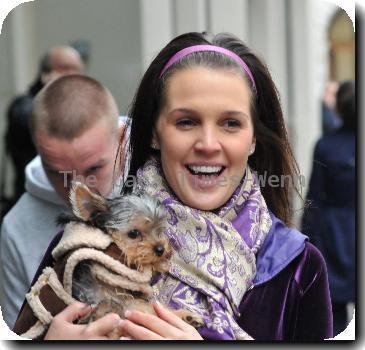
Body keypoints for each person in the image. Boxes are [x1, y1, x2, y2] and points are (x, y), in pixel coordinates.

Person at [15, 32, 332, 341]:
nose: (208, 144)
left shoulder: (297, 266)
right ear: (154, 132)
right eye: (186, 122)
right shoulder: (84, 242)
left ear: (252, 140)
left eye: (230, 123)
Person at [0, 74, 127, 329]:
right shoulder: (17, 227)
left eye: (93, 168)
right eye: (59, 174)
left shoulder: (162, 176)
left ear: (122, 139)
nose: (78, 189)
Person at [302, 81, 355, 336]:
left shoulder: (326, 145)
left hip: (336, 235)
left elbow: (314, 198)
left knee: (335, 311)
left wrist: (307, 239)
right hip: (340, 232)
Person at [3, 46, 85, 207]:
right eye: (65, 68)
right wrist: (52, 93)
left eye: (77, 69)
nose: (72, 75)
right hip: (31, 200)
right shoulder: (23, 106)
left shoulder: (79, 105)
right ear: (45, 73)